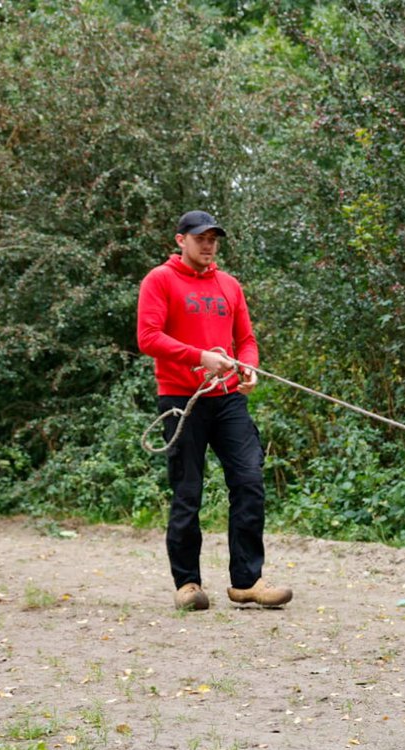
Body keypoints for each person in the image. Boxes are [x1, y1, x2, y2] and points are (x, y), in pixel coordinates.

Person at [136, 210, 292, 612]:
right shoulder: (160, 280)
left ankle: (247, 582)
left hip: (227, 399)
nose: (208, 245)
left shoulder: (229, 285)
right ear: (180, 240)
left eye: (213, 239)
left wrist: (250, 366)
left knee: (249, 481)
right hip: (180, 401)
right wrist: (199, 357)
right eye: (200, 238)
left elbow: (246, 339)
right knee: (188, 492)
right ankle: (188, 584)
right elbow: (148, 337)